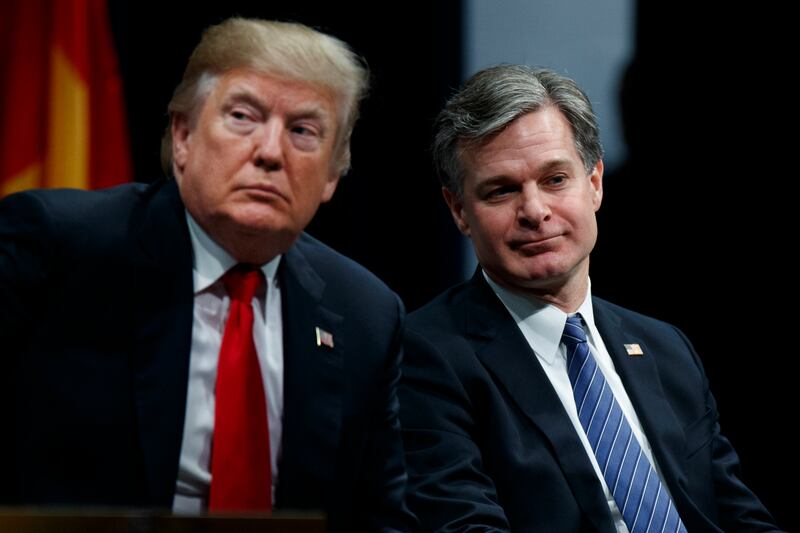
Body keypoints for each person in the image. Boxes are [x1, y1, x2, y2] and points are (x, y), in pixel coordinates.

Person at [0, 18, 415, 532]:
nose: (269, 152)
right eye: (243, 117)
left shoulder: (365, 313)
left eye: (303, 131)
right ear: (183, 137)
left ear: (332, 175)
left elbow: (379, 517)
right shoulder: (61, 248)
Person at [399, 65, 781, 532]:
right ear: (460, 210)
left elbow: (739, 516)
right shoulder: (427, 356)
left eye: (555, 179)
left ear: (595, 182)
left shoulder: (666, 349)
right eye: (501, 191)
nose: (535, 211)